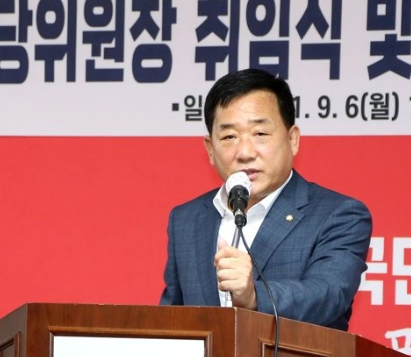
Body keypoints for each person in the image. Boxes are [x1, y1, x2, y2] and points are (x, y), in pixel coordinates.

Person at [159, 68, 372, 331]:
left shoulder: (339, 214)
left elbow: (328, 295)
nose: (245, 152)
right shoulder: (187, 219)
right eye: (229, 137)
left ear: (292, 139)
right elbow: (172, 320)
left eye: (260, 134)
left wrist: (253, 295)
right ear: (210, 149)